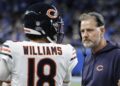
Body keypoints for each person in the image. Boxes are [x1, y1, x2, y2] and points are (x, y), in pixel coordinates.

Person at [0, 3, 78, 86]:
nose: (57, 30)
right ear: (43, 27)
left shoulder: (12, 48)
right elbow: (64, 83)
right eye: (55, 26)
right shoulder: (67, 51)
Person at [79, 12, 120, 86]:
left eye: (89, 30)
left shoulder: (117, 56)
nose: (85, 35)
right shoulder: (87, 59)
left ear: (102, 31)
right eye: (82, 31)